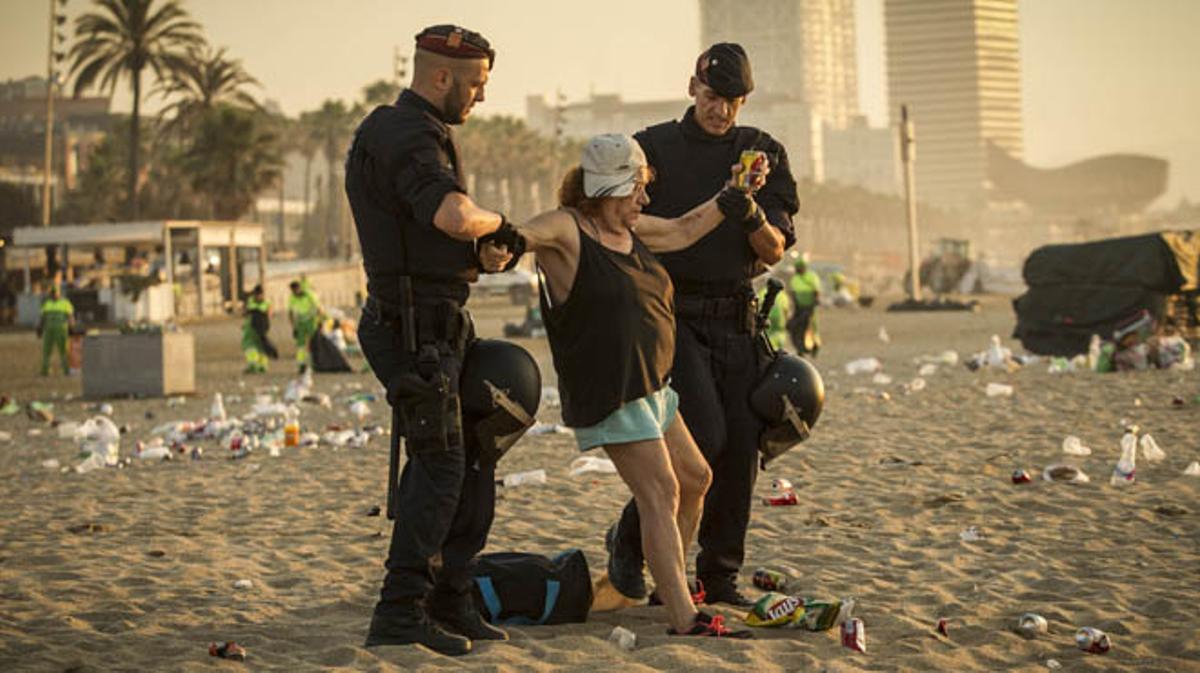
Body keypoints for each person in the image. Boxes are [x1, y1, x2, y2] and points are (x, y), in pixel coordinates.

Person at [487, 133, 764, 637]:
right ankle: (683, 617)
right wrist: (502, 243)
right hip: (614, 392)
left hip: (654, 387)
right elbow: (526, 233)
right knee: (660, 491)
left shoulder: (633, 231)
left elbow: (683, 229)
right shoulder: (571, 231)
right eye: (637, 187)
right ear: (609, 187)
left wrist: (733, 194)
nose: (645, 198)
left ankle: (669, 586)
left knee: (696, 478)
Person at [603, 43, 800, 608]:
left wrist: (752, 213)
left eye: (733, 101)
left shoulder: (763, 152)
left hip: (738, 316)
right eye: (714, 97)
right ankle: (629, 535)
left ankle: (719, 579)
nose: (722, 111)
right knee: (703, 439)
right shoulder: (654, 148)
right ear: (693, 87)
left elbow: (775, 249)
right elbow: (626, 224)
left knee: (741, 448)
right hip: (672, 316)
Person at [345, 24, 518, 656]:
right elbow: (449, 212)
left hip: (441, 320)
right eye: (475, 85)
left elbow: (437, 233)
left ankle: (452, 598)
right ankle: (398, 612)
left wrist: (482, 251)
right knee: (440, 465)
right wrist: (497, 222)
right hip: (409, 328)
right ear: (439, 76)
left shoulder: (424, 132)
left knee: (473, 459)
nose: (480, 98)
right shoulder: (404, 131)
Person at [37, 285, 75, 376]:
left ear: (59, 293)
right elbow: (42, 318)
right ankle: (45, 370)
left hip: (61, 329)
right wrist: (39, 328)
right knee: (46, 350)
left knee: (64, 350)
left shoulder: (65, 303)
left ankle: (66, 370)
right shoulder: (47, 303)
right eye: (52, 293)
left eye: (55, 293)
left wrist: (71, 327)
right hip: (49, 329)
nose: (54, 295)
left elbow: (70, 316)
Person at [788, 256, 821, 356]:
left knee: (812, 326)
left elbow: (816, 290)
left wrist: (815, 301)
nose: (798, 269)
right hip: (799, 307)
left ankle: (815, 346)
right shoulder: (795, 279)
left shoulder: (811, 276)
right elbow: (793, 292)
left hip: (810, 307)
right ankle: (800, 347)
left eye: (799, 267)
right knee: (798, 327)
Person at [287, 280, 322, 373]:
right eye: (293, 291)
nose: (295, 293)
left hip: (311, 321)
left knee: (314, 343)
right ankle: (302, 364)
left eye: (296, 290)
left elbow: (318, 308)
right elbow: (290, 312)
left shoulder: (310, 295)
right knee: (300, 344)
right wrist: (293, 326)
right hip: (300, 322)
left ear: (299, 288)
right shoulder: (292, 298)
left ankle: (316, 364)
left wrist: (320, 322)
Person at [242, 285, 277, 373]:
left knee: (250, 345)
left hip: (256, 328)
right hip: (257, 327)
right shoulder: (263, 302)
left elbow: (269, 313)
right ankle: (262, 366)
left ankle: (254, 365)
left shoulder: (264, 303)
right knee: (261, 345)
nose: (257, 296)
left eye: (258, 294)